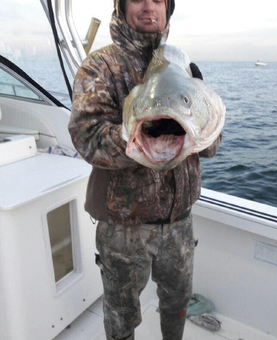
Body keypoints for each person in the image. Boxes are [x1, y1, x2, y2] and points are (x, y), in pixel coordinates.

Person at [68, 0, 222, 339]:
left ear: (168, 9)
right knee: (121, 317)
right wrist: (141, 136)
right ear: (122, 7)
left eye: (158, 0)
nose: (148, 7)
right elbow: (86, 136)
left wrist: (199, 123)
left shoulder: (185, 70)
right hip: (123, 230)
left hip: (178, 222)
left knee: (177, 303)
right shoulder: (100, 66)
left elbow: (210, 146)